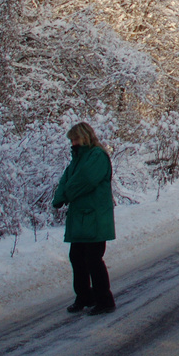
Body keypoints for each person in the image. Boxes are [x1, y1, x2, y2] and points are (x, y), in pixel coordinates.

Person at [53, 121, 116, 314]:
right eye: (72, 139)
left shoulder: (97, 156)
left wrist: (67, 194)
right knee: (77, 258)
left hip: (95, 217)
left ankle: (104, 300)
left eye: (76, 138)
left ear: (86, 136)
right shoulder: (78, 158)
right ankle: (84, 296)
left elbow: (85, 180)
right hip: (80, 218)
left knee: (93, 259)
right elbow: (66, 179)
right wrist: (59, 197)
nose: (73, 143)